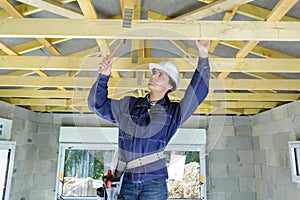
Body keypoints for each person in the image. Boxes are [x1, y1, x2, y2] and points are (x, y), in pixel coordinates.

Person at [88, 40, 210, 200]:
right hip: (126, 180)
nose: (154, 77)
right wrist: (103, 77)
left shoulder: (174, 112)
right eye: (154, 73)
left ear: (170, 86)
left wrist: (203, 54)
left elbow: (198, 91)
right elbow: (97, 104)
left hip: (154, 182)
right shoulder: (129, 105)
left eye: (161, 75)